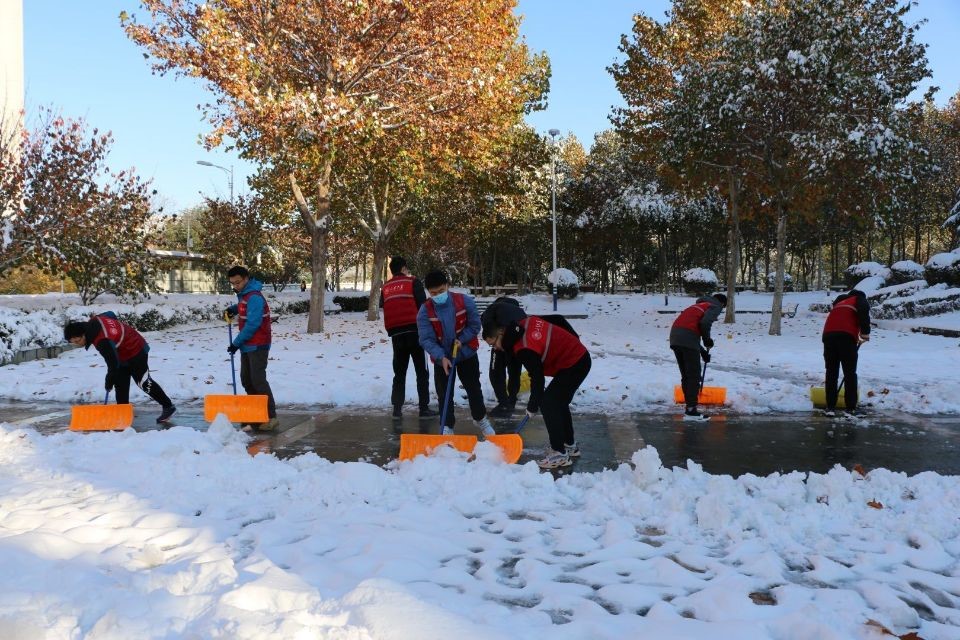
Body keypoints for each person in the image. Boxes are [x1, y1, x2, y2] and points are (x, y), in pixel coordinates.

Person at [484, 315, 591, 469]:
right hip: (575, 360)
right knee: (559, 403)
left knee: (548, 403)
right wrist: (573, 341)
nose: (495, 348)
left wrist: (533, 405)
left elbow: (537, 378)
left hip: (575, 363)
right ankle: (569, 445)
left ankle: (559, 454)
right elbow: (558, 319)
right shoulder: (523, 322)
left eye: (493, 343)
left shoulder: (524, 348)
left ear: (501, 332)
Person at [417, 270, 494, 436]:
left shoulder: (464, 301)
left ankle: (480, 418)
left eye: (441, 291)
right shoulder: (425, 311)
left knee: (474, 388)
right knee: (444, 394)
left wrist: (462, 339)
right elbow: (426, 339)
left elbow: (475, 326)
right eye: (433, 293)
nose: (438, 295)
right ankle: (447, 426)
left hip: (466, 353)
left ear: (447, 286)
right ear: (428, 292)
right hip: (443, 358)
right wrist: (441, 357)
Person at [64, 312, 176, 423]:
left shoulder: (102, 341)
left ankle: (168, 406)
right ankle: (122, 415)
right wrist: (117, 333)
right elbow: (110, 314)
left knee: (143, 382)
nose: (78, 344)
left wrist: (108, 382)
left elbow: (112, 365)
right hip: (120, 352)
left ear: (84, 333)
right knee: (120, 381)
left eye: (78, 341)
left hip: (136, 349)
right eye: (74, 342)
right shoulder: (95, 320)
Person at [224, 265, 279, 431]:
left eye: (238, 282)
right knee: (247, 380)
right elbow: (243, 306)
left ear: (246, 279)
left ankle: (270, 417)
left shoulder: (254, 296)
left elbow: (252, 324)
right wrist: (233, 309)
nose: (236, 286)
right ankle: (256, 414)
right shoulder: (245, 295)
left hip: (258, 344)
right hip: (247, 345)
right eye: (233, 283)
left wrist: (236, 343)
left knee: (258, 380)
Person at [381, 256, 436, 419]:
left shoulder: (385, 287)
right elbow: (423, 306)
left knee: (399, 373)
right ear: (404, 268)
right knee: (421, 371)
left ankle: (397, 410)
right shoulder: (413, 282)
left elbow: (384, 306)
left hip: (396, 335)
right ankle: (423, 409)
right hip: (415, 332)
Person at [669, 293, 726, 421]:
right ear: (722, 303)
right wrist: (707, 340)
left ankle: (690, 406)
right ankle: (691, 410)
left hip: (675, 337)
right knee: (693, 376)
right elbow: (704, 323)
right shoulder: (715, 306)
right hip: (687, 338)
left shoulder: (698, 305)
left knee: (687, 375)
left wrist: (702, 352)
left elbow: (690, 329)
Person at [821, 289, 871, 417]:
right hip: (846, 337)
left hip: (828, 336)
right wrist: (865, 333)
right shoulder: (859, 299)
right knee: (850, 373)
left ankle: (830, 407)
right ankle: (851, 408)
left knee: (831, 372)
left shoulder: (839, 302)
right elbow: (864, 314)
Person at [480, 296, 527, 417]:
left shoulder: (492, 316)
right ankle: (509, 402)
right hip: (508, 343)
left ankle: (505, 403)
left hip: (509, 343)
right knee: (513, 373)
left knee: (497, 373)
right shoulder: (496, 317)